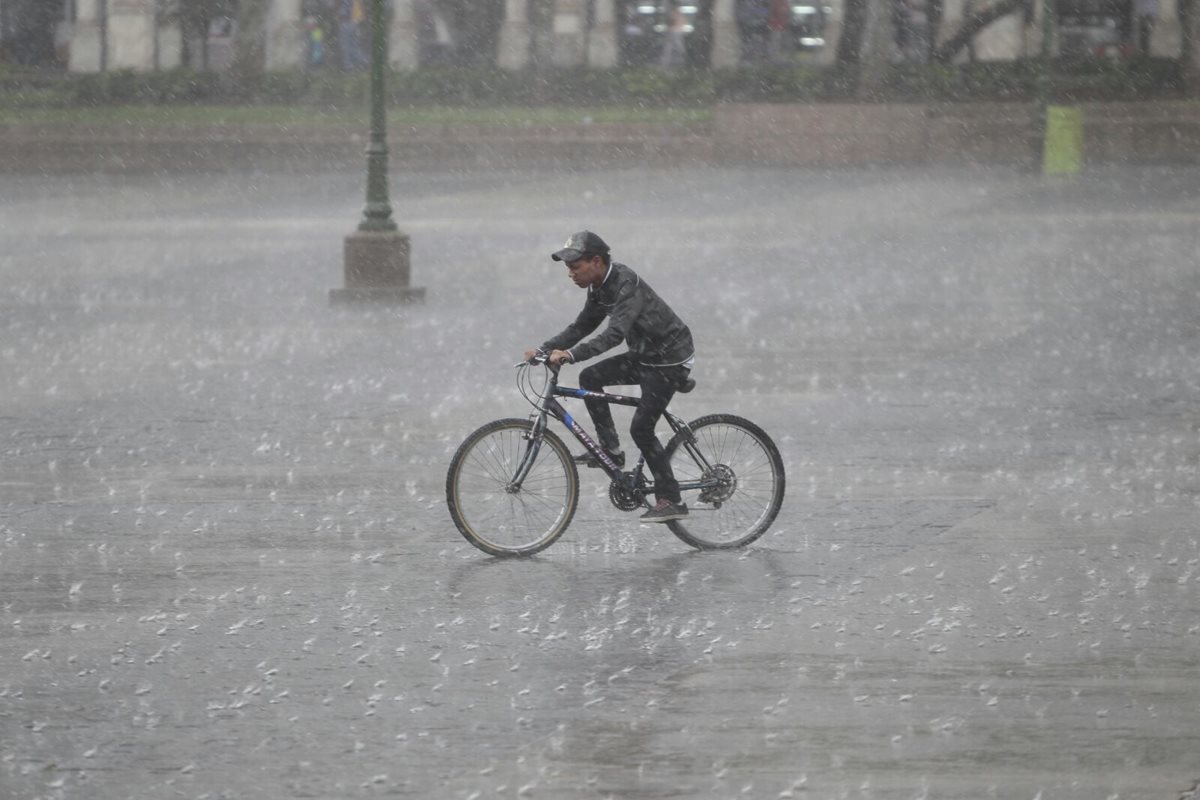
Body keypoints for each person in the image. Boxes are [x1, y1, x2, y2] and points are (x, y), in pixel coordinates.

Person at [523, 231, 695, 524]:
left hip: (668, 360)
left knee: (641, 428)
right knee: (590, 377)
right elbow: (581, 327)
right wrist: (544, 349)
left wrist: (571, 355)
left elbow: (614, 334)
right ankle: (611, 451)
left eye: (575, 267)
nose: (570, 274)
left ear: (596, 261)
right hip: (644, 355)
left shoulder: (625, 283)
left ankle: (671, 499)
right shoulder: (598, 289)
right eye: (568, 268)